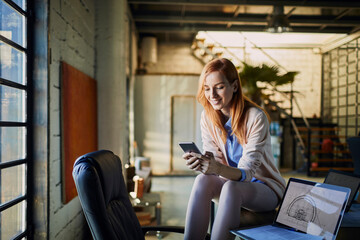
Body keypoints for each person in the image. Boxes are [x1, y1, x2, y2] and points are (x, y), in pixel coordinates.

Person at [183, 58, 286, 240]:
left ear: (235, 86)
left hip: (264, 188)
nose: (212, 95)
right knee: (202, 180)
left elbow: (247, 172)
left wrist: (216, 168)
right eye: (207, 88)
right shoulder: (207, 118)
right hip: (230, 183)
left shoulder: (256, 117)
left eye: (219, 87)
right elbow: (215, 161)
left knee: (232, 187)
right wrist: (204, 163)